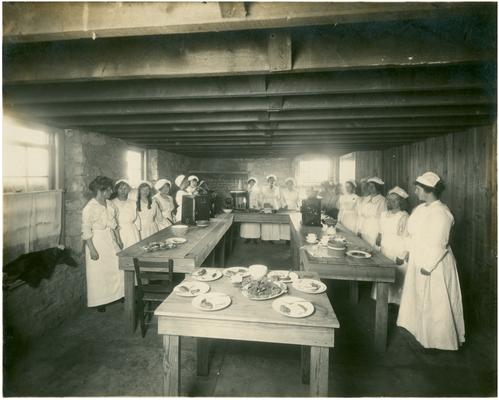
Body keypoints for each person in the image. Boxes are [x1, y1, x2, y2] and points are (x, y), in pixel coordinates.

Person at [397, 172, 465, 351]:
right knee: (419, 298)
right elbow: (411, 234)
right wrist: (406, 251)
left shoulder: (442, 213)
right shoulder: (420, 209)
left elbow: (439, 243)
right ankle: (420, 333)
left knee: (436, 303)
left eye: (418, 188)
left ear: (428, 191)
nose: (415, 191)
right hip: (418, 258)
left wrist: (428, 266)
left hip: (434, 264)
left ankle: (438, 341)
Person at [81, 176, 124, 312]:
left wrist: (118, 239)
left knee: (117, 268)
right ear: (101, 190)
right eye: (109, 189)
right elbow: (86, 230)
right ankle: (101, 301)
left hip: (110, 238)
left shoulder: (110, 204)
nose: (111, 191)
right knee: (99, 273)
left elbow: (115, 224)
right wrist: (92, 250)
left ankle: (119, 294)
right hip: (97, 241)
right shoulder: (89, 208)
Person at [371, 186, 410, 305]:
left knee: (397, 276)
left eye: (395, 200)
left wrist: (402, 254)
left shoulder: (404, 216)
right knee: (383, 273)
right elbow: (381, 231)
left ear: (401, 202)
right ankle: (382, 299)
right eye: (389, 200)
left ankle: (395, 302)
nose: (391, 202)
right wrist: (378, 239)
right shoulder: (383, 214)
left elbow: (406, 237)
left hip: (397, 248)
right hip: (385, 247)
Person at [356, 177, 387, 247]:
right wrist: (359, 229)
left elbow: (383, 220)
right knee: (363, 247)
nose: (370, 188)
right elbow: (362, 216)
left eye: (373, 186)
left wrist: (380, 234)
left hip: (374, 229)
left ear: (378, 188)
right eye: (369, 186)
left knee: (372, 249)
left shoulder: (382, 200)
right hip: (364, 227)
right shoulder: (366, 199)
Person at [111, 179, 140, 250]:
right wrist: (117, 238)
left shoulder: (133, 203)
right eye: (120, 188)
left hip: (132, 231)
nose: (123, 191)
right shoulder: (112, 203)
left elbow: (137, 219)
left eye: (125, 189)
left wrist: (138, 231)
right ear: (116, 189)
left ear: (128, 190)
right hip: (119, 231)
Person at [260, 174, 281, 243]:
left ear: (275, 181)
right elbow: (262, 197)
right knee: (266, 221)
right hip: (266, 204)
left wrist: (277, 205)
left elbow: (278, 198)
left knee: (273, 221)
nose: (271, 181)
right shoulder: (264, 188)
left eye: (273, 180)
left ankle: (272, 238)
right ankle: (265, 237)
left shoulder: (277, 188)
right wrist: (262, 205)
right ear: (268, 181)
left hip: (274, 204)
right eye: (270, 180)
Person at [240, 177, 261, 244]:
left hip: (254, 205)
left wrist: (257, 205)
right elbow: (244, 197)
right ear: (249, 183)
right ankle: (247, 237)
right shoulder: (247, 189)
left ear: (255, 183)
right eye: (250, 182)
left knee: (254, 221)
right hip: (247, 205)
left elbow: (259, 198)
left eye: (253, 182)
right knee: (247, 221)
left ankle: (255, 238)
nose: (252, 183)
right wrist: (244, 204)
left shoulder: (257, 189)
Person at [280, 177, 300, 243]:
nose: (290, 185)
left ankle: (293, 238)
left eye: (291, 184)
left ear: (293, 184)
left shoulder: (296, 191)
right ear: (286, 184)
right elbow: (282, 200)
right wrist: (284, 205)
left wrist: (298, 206)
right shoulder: (283, 191)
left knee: (293, 223)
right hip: (286, 208)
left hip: (294, 208)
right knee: (286, 223)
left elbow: (298, 200)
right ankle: (287, 239)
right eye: (288, 184)